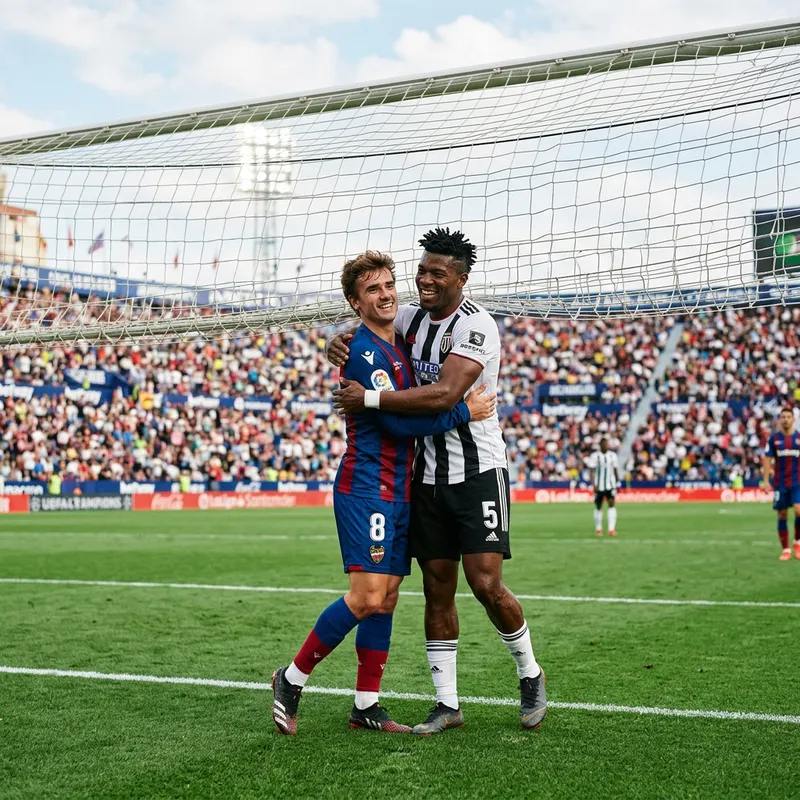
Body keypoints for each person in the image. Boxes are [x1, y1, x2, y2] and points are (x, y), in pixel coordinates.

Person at [329, 228, 546, 734]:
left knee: (485, 583)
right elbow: (362, 326)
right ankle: (447, 703)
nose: (423, 280)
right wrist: (335, 339)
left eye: (436, 274)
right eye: (421, 270)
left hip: (477, 471)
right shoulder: (410, 318)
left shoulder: (477, 327)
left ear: (461, 280)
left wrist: (371, 399)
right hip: (424, 475)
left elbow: (448, 394)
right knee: (437, 589)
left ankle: (530, 672)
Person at [271, 250, 495, 735]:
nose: (386, 293)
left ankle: (366, 705)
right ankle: (290, 678)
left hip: (400, 489)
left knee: (389, 597)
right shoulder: (365, 352)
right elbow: (394, 419)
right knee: (367, 595)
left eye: (389, 284)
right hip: (368, 486)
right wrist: (464, 412)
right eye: (372, 290)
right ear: (356, 302)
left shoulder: (400, 342)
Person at [762, 406, 800, 561]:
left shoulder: (798, 438)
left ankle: (797, 542)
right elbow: (767, 459)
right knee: (782, 514)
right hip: (780, 483)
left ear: (793, 419)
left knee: (799, 510)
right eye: (783, 417)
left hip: (797, 481)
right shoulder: (774, 439)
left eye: (788, 417)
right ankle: (785, 550)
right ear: (779, 420)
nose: (785, 419)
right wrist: (765, 481)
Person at [588, 438, 618, 536]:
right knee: (598, 506)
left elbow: (615, 470)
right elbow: (591, 470)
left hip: (610, 485)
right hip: (599, 485)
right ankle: (598, 529)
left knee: (611, 504)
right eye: (604, 444)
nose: (606, 445)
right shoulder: (595, 456)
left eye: (607, 444)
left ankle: (611, 529)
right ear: (600, 445)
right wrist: (593, 484)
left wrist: (617, 483)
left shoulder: (612, 455)